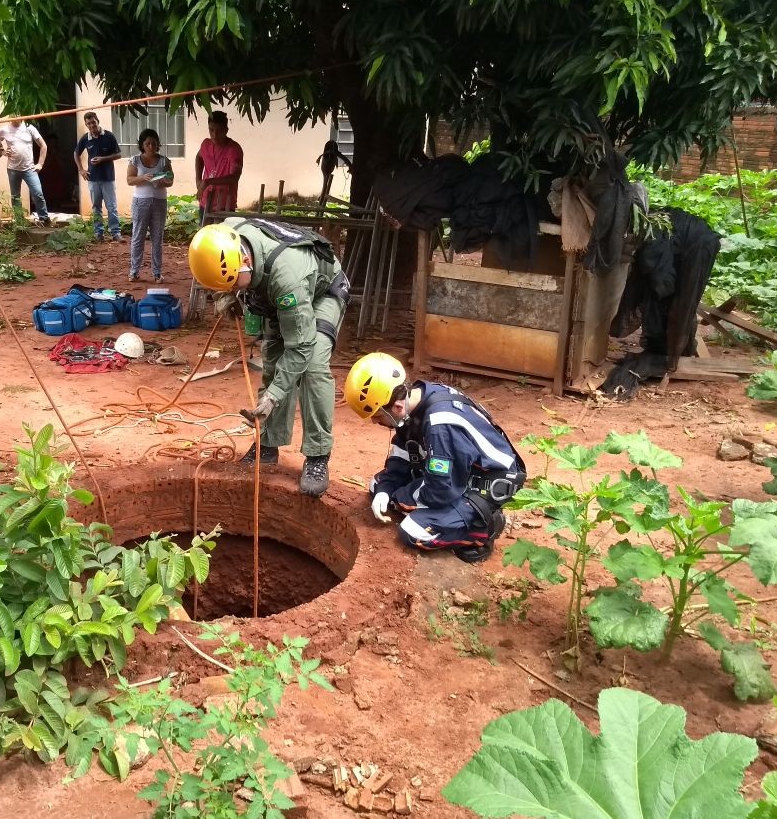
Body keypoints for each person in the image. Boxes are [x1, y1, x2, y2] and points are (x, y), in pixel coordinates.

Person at [188, 219, 350, 497]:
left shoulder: (287, 279)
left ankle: (318, 455)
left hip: (322, 292)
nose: (233, 289)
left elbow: (300, 347)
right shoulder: (222, 238)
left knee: (312, 367)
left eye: (233, 283)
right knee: (273, 363)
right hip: (276, 291)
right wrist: (224, 296)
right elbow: (217, 271)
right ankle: (268, 444)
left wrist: (273, 396)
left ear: (245, 261)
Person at [343, 353, 526, 562]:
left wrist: (400, 497)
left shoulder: (440, 427)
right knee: (378, 486)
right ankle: (440, 511)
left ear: (397, 407)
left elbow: (440, 490)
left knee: (413, 531)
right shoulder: (415, 401)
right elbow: (403, 452)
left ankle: (482, 528)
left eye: (377, 416)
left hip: (484, 483)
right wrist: (386, 490)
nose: (375, 422)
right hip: (457, 468)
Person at [126, 128, 173, 282]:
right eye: (148, 144)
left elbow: (170, 180)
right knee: (138, 236)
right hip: (140, 201)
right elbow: (129, 180)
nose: (151, 147)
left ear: (158, 144)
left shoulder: (164, 161)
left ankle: (157, 272)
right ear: (142, 145)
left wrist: (162, 182)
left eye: (154, 143)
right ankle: (134, 271)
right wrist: (143, 178)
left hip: (159, 201)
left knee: (157, 238)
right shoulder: (135, 160)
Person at [74, 111, 123, 242]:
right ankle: (98, 233)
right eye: (88, 124)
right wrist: (81, 170)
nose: (91, 125)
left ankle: (116, 233)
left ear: (98, 121)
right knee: (96, 207)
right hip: (93, 178)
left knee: (112, 207)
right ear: (86, 125)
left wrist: (103, 159)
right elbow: (76, 153)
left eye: (93, 122)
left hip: (108, 178)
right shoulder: (86, 138)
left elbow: (118, 154)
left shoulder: (109, 136)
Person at [0, 117, 50, 226]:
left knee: (37, 193)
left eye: (16, 112)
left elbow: (43, 145)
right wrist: (3, 151)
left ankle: (44, 219)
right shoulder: (4, 130)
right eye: (11, 113)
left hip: (29, 169)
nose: (14, 116)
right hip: (12, 169)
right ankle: (19, 221)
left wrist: (40, 164)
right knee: (15, 196)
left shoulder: (29, 127)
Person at [195, 110, 243, 218]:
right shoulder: (206, 144)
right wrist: (198, 179)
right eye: (211, 130)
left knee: (222, 230)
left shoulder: (234, 149)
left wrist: (207, 182)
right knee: (204, 229)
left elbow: (234, 178)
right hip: (205, 202)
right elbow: (199, 157)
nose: (214, 135)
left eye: (219, 131)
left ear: (226, 130)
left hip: (225, 205)